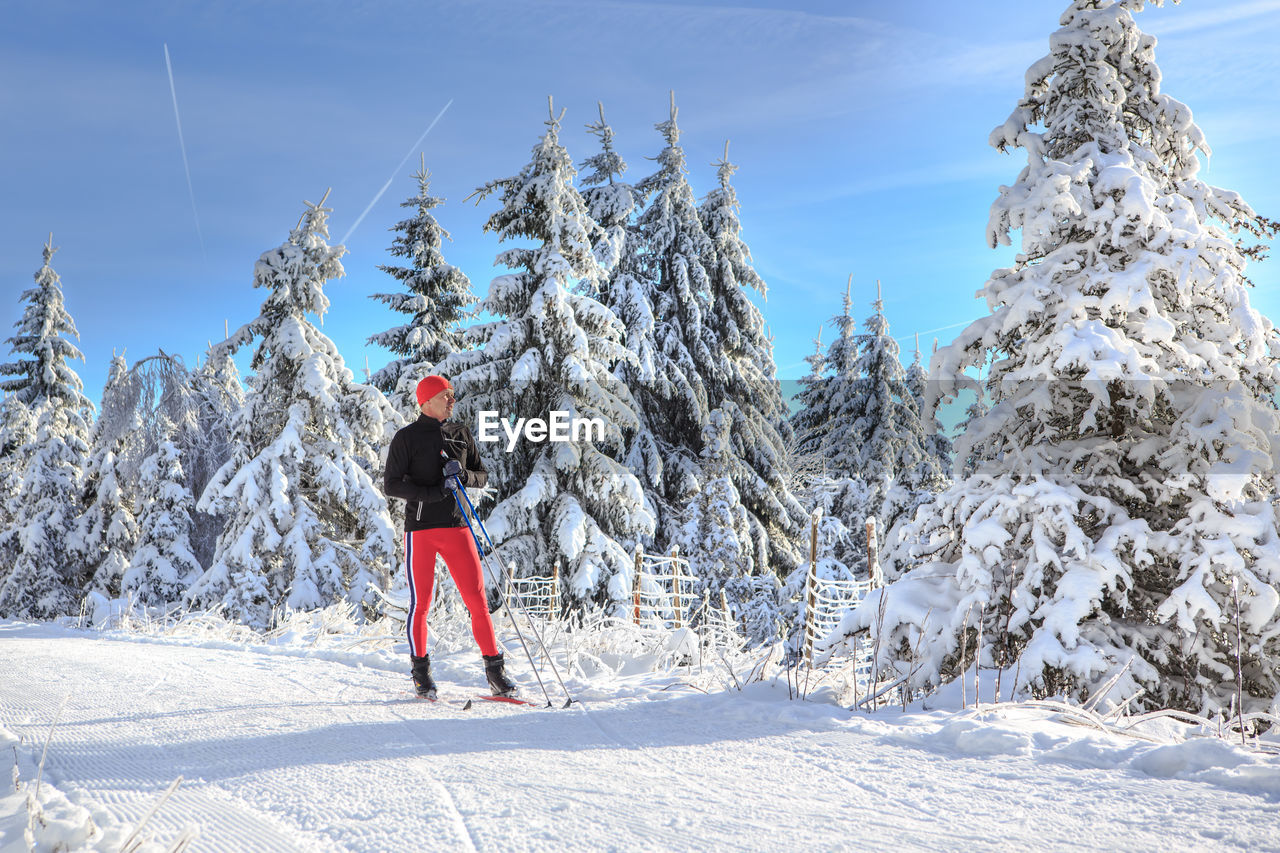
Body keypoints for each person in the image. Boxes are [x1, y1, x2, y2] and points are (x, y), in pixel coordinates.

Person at [383, 375, 517, 699]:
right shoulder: (407, 438)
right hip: (421, 532)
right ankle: (421, 675)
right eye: (446, 396)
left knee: (477, 601)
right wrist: (433, 491)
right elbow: (392, 485)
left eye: (453, 395)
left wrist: (463, 474)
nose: (452, 401)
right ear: (426, 400)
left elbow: (481, 476)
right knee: (422, 604)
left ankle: (495, 672)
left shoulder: (460, 434)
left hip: (458, 528)